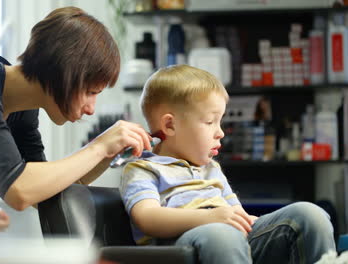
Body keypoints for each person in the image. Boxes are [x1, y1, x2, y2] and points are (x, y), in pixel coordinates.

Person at [0, 6, 152, 212]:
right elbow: (19, 191)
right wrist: (99, 147)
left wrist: (107, 153)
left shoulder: (23, 111)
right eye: (91, 92)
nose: (91, 109)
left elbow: (44, 194)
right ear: (63, 74)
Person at [119, 65, 335, 263]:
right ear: (170, 125)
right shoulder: (143, 169)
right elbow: (147, 218)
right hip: (182, 247)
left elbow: (237, 213)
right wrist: (210, 217)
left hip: (231, 240)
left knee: (309, 216)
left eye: (220, 121)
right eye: (210, 122)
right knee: (222, 234)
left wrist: (261, 225)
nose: (220, 132)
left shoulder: (211, 168)